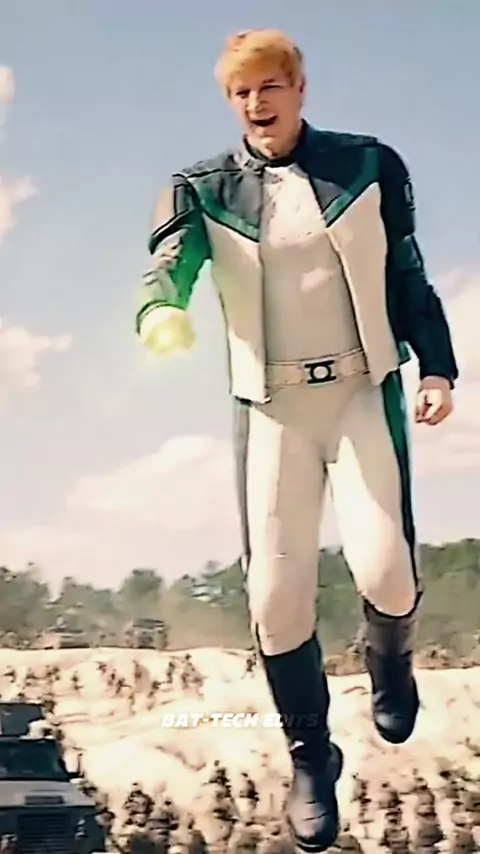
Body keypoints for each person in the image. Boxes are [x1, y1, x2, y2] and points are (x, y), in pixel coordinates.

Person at [135, 29, 458, 852]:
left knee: (386, 570)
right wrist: (162, 310)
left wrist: (437, 367)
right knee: (275, 605)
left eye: (270, 87)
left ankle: (391, 665)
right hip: (273, 405)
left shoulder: (368, 165)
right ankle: (313, 757)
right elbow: (169, 263)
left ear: (299, 88)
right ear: (230, 102)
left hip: (360, 391)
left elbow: (408, 273)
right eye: (242, 93)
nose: (257, 104)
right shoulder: (201, 187)